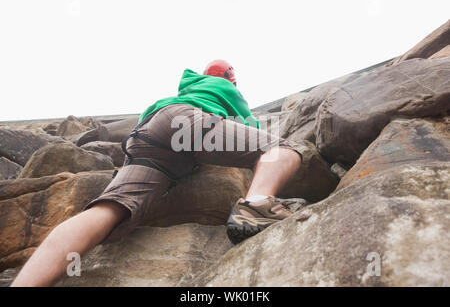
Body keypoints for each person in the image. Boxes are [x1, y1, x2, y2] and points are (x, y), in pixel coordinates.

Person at [11, 60, 302, 287]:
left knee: (107, 211)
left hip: (148, 136)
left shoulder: (185, 89)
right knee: (281, 150)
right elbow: (250, 132)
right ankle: (255, 207)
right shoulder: (226, 89)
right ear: (231, 78)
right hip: (185, 126)